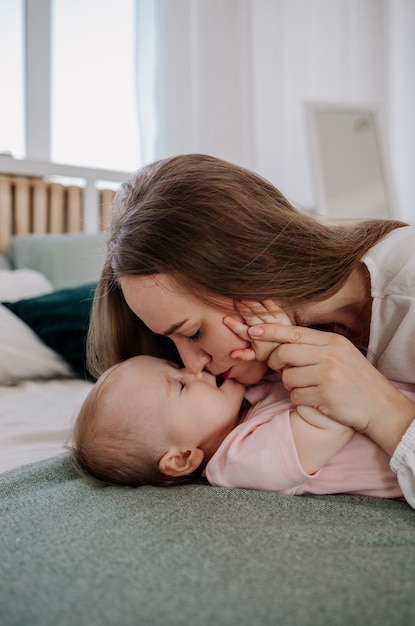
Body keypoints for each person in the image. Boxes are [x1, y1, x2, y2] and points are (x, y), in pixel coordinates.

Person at [86, 153, 415, 506]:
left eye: (194, 332)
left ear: (253, 263)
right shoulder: (249, 396)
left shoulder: (406, 288)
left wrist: (382, 410)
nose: (193, 363)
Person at [72, 301, 411, 504]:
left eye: (177, 369)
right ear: (182, 458)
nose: (196, 370)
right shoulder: (239, 462)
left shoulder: (248, 395)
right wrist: (284, 345)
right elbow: (331, 416)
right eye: (181, 387)